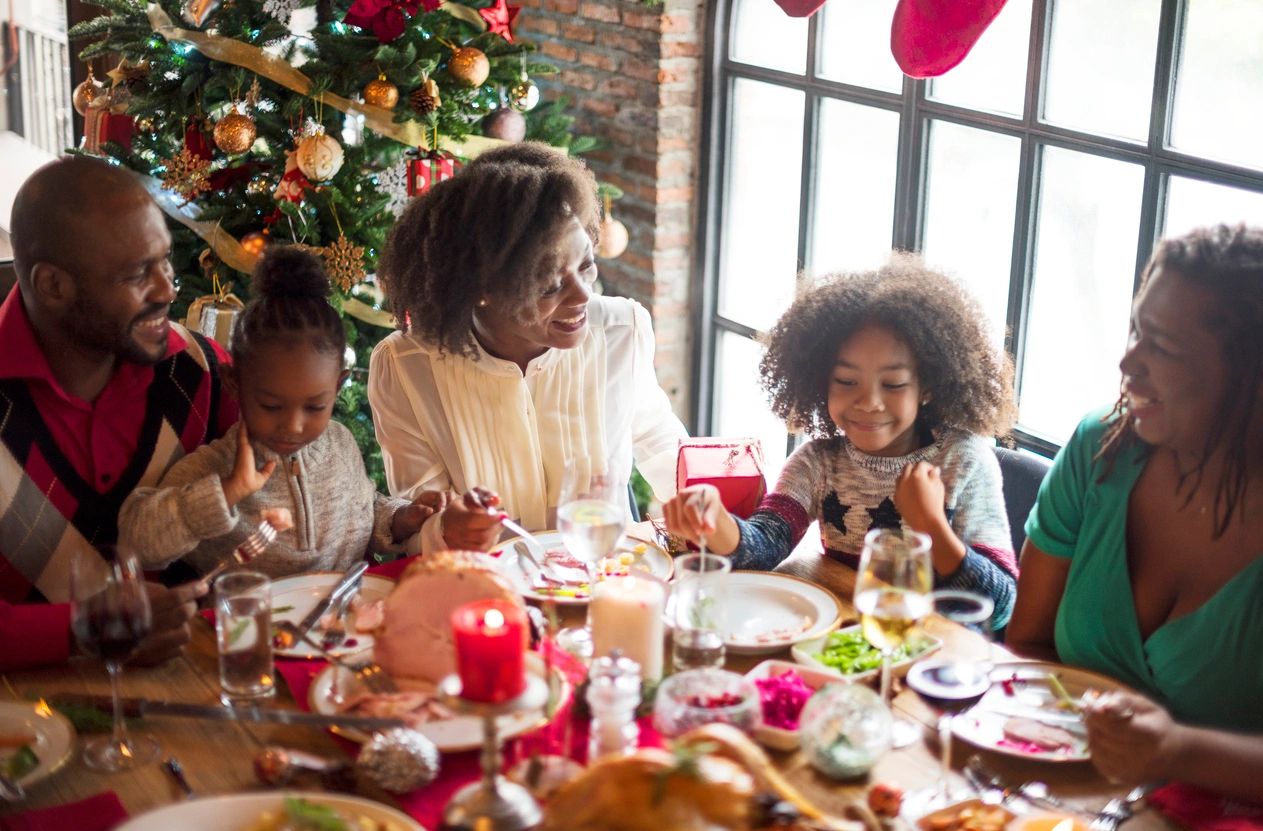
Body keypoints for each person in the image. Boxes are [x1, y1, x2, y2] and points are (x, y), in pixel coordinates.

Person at [1007, 224, 1263, 798]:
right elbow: (1027, 645)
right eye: (1135, 330)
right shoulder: (1103, 446)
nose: (1128, 362)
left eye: (1164, 347)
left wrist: (1179, 751)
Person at [664, 255, 1019, 630]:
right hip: (853, 643)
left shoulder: (963, 461)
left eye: (894, 384)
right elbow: (764, 546)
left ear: (928, 386)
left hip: (940, 661)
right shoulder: (818, 463)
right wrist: (715, 520)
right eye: (847, 382)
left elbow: (1000, 605)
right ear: (821, 380)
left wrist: (930, 524)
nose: (869, 402)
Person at [368, 143, 687, 553]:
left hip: (605, 583)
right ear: (482, 289)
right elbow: (417, 526)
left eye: (586, 265)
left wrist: (700, 499)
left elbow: (662, 444)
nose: (582, 296)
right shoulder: (406, 367)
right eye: (551, 285)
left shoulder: (622, 331)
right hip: (486, 596)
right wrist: (445, 529)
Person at [0, 156, 234, 670]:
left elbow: (297, 470)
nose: (169, 289)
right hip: (32, 727)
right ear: (53, 287)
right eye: (136, 275)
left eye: (165, 262)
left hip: (201, 705)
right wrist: (82, 633)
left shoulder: (202, 373)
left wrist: (411, 527)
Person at [119, 247, 447, 578]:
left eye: (315, 406)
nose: (292, 426)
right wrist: (227, 492)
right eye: (271, 406)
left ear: (337, 386)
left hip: (350, 619)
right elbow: (137, 543)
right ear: (234, 384)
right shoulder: (212, 469)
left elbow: (363, 508)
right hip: (253, 625)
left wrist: (399, 519)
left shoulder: (341, 443)